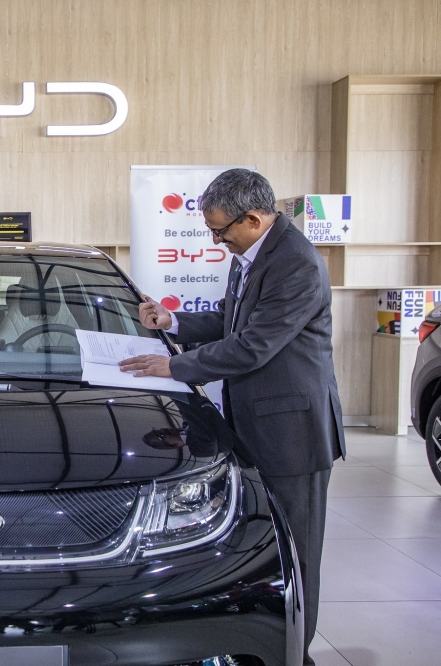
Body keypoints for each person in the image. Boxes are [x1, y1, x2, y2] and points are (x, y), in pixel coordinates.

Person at [119, 169, 345, 666]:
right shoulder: (252, 253)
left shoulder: (296, 264)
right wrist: (171, 321)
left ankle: (293, 652)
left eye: (221, 231)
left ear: (254, 217)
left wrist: (173, 365)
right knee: (258, 540)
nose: (215, 240)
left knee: (295, 552)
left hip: (292, 429)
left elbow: (254, 345)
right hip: (251, 419)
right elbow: (230, 319)